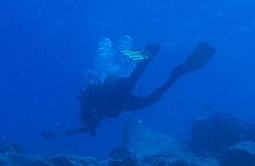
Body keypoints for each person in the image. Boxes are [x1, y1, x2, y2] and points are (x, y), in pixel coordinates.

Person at [69, 41, 217, 136]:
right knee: (150, 97)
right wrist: (89, 128)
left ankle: (151, 59)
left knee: (136, 82)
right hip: (123, 101)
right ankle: (176, 74)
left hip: (117, 94)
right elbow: (93, 117)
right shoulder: (95, 105)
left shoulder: (91, 97)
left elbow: (89, 112)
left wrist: (89, 126)